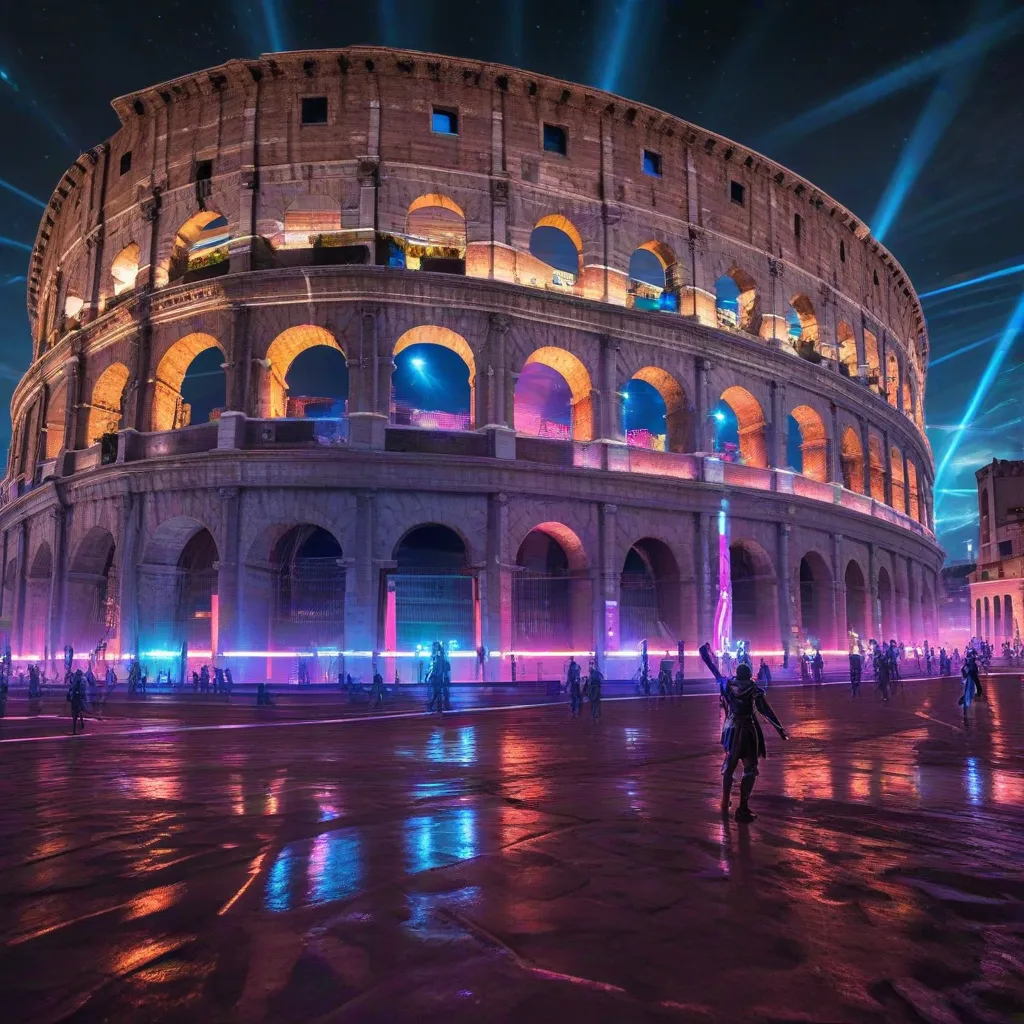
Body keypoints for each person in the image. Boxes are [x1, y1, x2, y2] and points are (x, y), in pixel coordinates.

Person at [698, 642, 788, 823]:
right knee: (750, 769)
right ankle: (743, 807)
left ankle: (725, 801)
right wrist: (780, 729)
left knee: (729, 766)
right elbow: (766, 711)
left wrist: (705, 654)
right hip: (747, 730)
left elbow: (714, 669)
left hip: (731, 730)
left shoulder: (727, 684)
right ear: (749, 675)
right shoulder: (754, 689)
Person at [959, 649, 981, 723]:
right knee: (968, 694)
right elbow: (964, 671)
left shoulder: (973, 664)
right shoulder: (969, 664)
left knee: (970, 694)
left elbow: (975, 672)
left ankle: (964, 705)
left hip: (971, 680)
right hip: (969, 680)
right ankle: (964, 710)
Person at [67, 670, 87, 734]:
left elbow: (73, 690)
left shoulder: (78, 682)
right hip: (78, 699)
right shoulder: (82, 681)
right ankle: (80, 724)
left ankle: (74, 730)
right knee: (79, 711)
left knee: (75, 714)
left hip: (76, 699)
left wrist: (72, 695)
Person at [587, 657, 603, 722]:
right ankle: (595, 714)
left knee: (594, 702)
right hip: (596, 689)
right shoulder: (596, 673)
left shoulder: (594, 673)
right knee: (595, 702)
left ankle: (595, 714)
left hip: (594, 689)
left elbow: (591, 682)